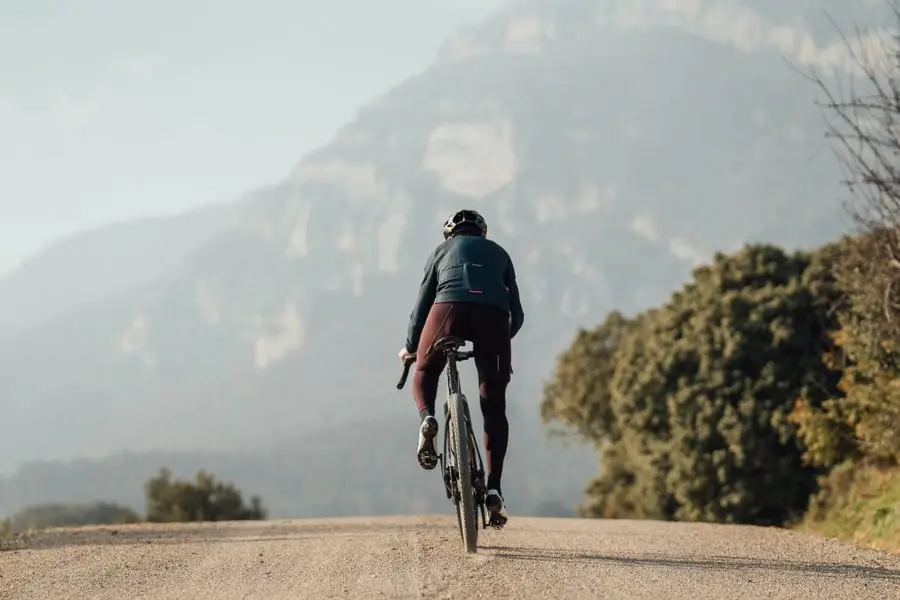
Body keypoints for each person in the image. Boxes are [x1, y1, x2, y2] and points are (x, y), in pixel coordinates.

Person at [398, 208, 524, 524]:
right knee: (493, 405)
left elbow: (421, 308)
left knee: (425, 371)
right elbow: (518, 315)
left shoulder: (440, 252)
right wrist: (497, 346)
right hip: (493, 319)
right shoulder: (500, 253)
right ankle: (494, 488)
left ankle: (428, 418)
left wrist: (412, 349)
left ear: (449, 235)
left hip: (447, 309)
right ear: (482, 233)